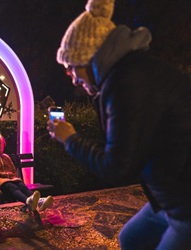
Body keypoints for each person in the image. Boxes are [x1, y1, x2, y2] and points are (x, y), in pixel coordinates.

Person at [47, 0, 191, 249]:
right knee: (131, 238)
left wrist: (70, 138)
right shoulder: (127, 74)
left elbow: (117, 167)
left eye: (71, 68)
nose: (72, 79)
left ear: (88, 57)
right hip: (167, 197)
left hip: (184, 202)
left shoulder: (127, 84)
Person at [0, 133, 53, 213]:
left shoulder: (5, 156)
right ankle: (27, 201)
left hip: (12, 178)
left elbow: (12, 168)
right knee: (13, 187)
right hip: (0, 181)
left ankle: (39, 201)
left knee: (23, 187)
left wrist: (16, 178)